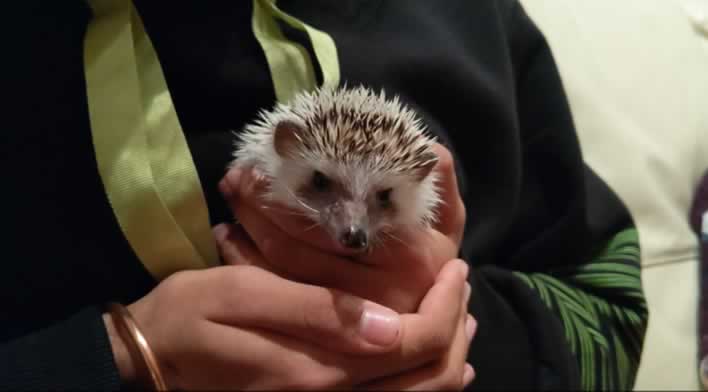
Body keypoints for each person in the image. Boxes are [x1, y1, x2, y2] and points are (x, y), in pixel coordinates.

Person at [1, 0, 648, 390]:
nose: (353, 228)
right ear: (285, 152)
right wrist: (117, 358)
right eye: (322, 188)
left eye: (380, 203)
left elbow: (609, 309)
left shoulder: (471, 16)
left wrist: (439, 329)